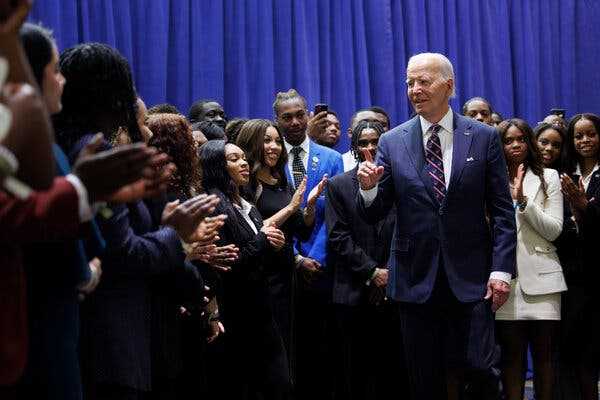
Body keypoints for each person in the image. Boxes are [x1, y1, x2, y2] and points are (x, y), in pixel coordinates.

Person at [356, 53, 516, 399]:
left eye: (424, 81)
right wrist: (368, 190)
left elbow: (502, 210)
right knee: (424, 377)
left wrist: (501, 270)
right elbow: (375, 212)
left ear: (449, 86)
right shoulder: (391, 141)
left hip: (473, 279)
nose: (415, 89)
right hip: (415, 278)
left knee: (482, 370)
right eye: (410, 82)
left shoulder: (484, 137)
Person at [199, 139, 291, 399]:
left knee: (279, 385)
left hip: (260, 308)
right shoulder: (214, 205)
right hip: (237, 313)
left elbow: (259, 254)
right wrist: (263, 239)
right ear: (216, 165)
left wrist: (275, 244)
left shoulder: (245, 203)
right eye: (233, 159)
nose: (244, 163)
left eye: (243, 157)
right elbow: (229, 262)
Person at [236, 119, 324, 385]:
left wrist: (307, 207)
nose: (274, 147)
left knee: (288, 349)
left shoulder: (279, 177)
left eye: (276, 141)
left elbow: (297, 229)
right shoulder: (245, 182)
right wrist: (290, 208)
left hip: (286, 276)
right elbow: (250, 230)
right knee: (268, 357)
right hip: (261, 276)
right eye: (266, 141)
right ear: (252, 143)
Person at [326, 120, 407, 399]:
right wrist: (373, 272)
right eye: (363, 143)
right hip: (352, 290)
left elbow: (408, 233)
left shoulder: (400, 182)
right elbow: (338, 238)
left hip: (397, 290)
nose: (370, 147)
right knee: (355, 372)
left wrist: (390, 273)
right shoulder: (338, 186)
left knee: (395, 371)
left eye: (376, 141)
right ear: (354, 148)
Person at [273, 88, 342, 400]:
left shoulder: (332, 158)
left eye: (300, 115)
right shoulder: (271, 159)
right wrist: (297, 259)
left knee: (324, 347)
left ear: (309, 115)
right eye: (287, 117)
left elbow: (338, 216)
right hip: (286, 266)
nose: (295, 122)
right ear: (277, 120)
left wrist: (315, 257)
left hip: (324, 266)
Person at [494, 119, 566, 400]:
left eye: (521, 139)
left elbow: (554, 229)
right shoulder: (491, 177)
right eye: (508, 140)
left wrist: (523, 200)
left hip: (544, 281)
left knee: (544, 359)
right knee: (511, 361)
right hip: (505, 282)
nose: (515, 145)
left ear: (530, 142)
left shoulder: (548, 177)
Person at [557, 113, 600, 400]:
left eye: (591, 134)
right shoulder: (563, 174)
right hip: (571, 274)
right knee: (573, 353)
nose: (584, 140)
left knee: (592, 353)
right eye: (578, 136)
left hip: (598, 271)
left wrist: (586, 207)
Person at [341, 107, 390, 171]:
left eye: (377, 123)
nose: (370, 126)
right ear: (350, 133)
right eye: (363, 123)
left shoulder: (395, 161)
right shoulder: (342, 162)